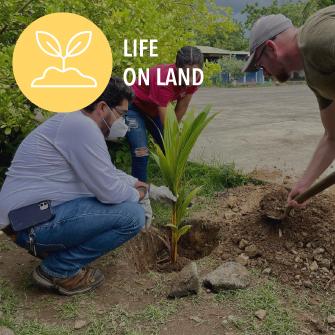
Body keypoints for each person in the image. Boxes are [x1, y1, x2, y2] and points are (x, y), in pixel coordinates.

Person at [0, 77, 175, 296]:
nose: (123, 122)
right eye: (121, 113)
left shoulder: (75, 123)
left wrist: (144, 186)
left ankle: (54, 256)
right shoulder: (82, 127)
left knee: (126, 205)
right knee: (132, 215)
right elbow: (109, 192)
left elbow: (107, 173)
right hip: (30, 224)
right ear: (102, 107)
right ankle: (58, 269)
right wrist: (140, 195)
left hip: (27, 220)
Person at [242, 6, 335, 207]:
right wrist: (304, 184)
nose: (264, 73)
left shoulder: (315, 38)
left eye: (259, 65)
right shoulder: (315, 79)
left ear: (271, 48)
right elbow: (332, 136)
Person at [126, 46, 204, 182]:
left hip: (154, 110)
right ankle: (140, 195)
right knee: (141, 151)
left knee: (173, 150)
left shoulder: (196, 77)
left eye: (195, 73)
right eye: (187, 73)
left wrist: (174, 138)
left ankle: (175, 190)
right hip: (135, 107)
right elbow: (167, 125)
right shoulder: (163, 78)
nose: (191, 78)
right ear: (177, 68)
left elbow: (182, 105)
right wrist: (172, 134)